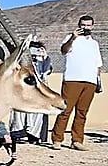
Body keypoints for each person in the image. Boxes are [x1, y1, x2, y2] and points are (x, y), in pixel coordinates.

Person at [51, 15, 102, 151]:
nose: (85, 27)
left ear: (92, 26)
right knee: (65, 110)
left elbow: (98, 64)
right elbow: (64, 51)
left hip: (90, 81)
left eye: (88, 25)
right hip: (72, 79)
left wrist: (98, 81)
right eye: (83, 25)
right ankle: (57, 139)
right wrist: (73, 38)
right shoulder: (71, 38)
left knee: (82, 112)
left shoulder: (94, 43)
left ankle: (77, 140)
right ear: (79, 25)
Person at [9, 40, 53, 143]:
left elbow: (45, 72)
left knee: (37, 112)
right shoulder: (20, 60)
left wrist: (44, 57)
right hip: (22, 90)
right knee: (20, 112)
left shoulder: (42, 61)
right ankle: (19, 132)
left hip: (37, 92)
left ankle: (33, 134)